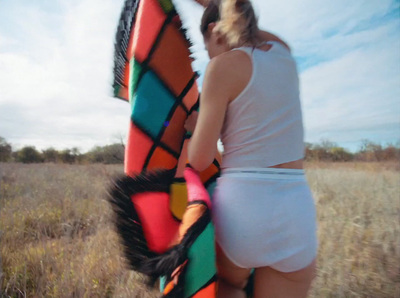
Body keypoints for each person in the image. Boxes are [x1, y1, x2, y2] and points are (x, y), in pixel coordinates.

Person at [184, 0, 318, 297]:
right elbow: (259, 35)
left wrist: (197, 129)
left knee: (231, 286)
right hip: (296, 209)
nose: (211, 54)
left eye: (208, 47)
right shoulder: (285, 54)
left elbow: (200, 157)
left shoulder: (221, 67)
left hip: (243, 209)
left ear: (214, 31)